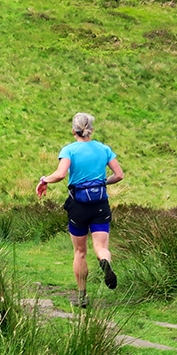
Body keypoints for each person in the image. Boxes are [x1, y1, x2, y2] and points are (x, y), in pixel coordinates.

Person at [36, 112, 124, 308]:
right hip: (100, 203)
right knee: (101, 248)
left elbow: (60, 175)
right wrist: (102, 182)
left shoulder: (69, 150)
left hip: (79, 206)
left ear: (73, 130)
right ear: (91, 129)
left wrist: (44, 180)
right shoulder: (104, 149)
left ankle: (82, 297)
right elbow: (119, 175)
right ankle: (105, 262)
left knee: (80, 252)